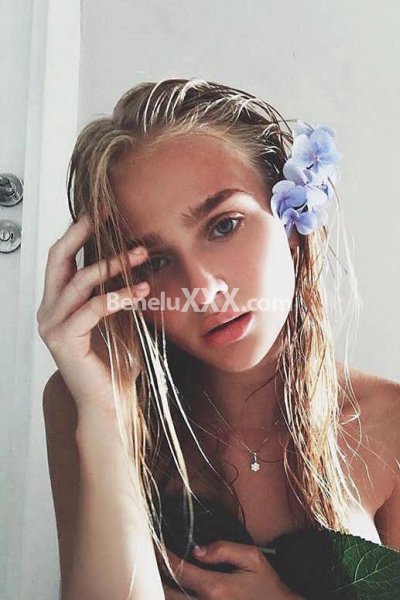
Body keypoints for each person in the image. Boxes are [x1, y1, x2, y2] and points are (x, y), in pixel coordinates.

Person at [38, 78, 400, 600]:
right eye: (154, 261)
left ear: (291, 218)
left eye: (224, 225)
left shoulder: (390, 422)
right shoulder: (83, 402)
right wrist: (106, 415)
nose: (203, 292)